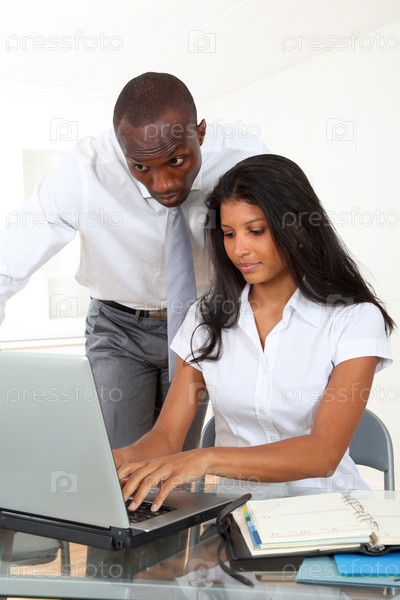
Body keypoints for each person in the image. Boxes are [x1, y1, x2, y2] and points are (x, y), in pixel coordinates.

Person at [0, 72, 267, 448]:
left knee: (177, 460)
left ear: (200, 133)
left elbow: (285, 250)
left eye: (176, 160)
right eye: (141, 167)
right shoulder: (83, 172)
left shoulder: (243, 159)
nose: (163, 183)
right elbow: (7, 265)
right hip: (118, 327)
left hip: (201, 321)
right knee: (121, 461)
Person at [115, 153, 394, 512]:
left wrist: (206, 458)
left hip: (332, 516)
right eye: (229, 234)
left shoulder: (353, 319)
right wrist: (117, 458)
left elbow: (323, 453)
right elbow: (167, 435)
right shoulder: (205, 317)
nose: (239, 249)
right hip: (239, 518)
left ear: (297, 228)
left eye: (256, 231)